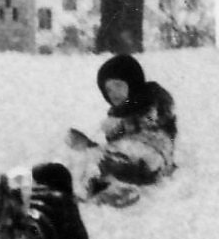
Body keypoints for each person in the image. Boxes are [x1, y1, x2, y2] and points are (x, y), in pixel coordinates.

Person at [70, 54, 178, 203]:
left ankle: (104, 185)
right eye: (109, 90)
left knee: (105, 159)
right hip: (129, 156)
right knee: (98, 159)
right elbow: (121, 141)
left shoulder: (154, 98)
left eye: (119, 86)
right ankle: (99, 188)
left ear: (133, 83)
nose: (114, 93)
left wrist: (123, 124)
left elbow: (152, 120)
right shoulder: (118, 113)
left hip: (153, 157)